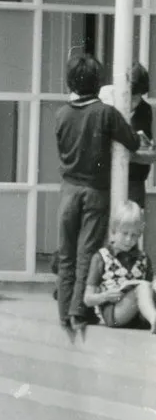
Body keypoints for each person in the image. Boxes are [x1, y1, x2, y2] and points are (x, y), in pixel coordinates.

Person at [55, 54, 140, 342]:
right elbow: (131, 140)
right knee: (85, 253)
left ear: (71, 82)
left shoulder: (61, 114)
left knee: (65, 253)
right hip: (94, 192)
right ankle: (79, 311)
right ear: (98, 82)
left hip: (68, 190)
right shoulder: (106, 113)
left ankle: (63, 311)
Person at [83, 200, 156, 334]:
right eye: (124, 234)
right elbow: (87, 299)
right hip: (115, 314)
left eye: (134, 235)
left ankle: (152, 318)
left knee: (148, 286)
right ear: (114, 231)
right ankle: (154, 320)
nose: (129, 240)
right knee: (142, 287)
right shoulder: (101, 257)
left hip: (139, 315)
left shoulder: (143, 258)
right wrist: (105, 296)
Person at [98, 62, 154, 209]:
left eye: (138, 97)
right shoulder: (106, 101)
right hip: (106, 179)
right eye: (131, 96)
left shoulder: (144, 110)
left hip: (134, 180)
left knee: (132, 225)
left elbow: (147, 148)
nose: (134, 101)